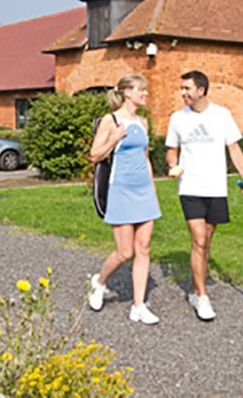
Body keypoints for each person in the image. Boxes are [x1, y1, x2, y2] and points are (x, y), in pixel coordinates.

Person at [165, 70, 243, 321]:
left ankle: (195, 288)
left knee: (207, 240)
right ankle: (202, 297)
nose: (183, 93)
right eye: (181, 88)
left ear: (201, 90)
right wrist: (173, 165)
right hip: (190, 187)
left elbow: (234, 148)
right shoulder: (177, 118)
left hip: (216, 188)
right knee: (199, 239)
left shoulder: (221, 115)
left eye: (187, 88)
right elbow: (172, 150)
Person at [88, 74, 162, 325]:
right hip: (120, 190)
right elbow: (95, 155)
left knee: (144, 249)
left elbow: (145, 158)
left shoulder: (142, 121)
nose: (146, 95)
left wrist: (153, 192)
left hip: (144, 193)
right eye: (142, 90)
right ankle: (99, 283)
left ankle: (139, 306)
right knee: (124, 252)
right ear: (128, 92)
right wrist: (115, 137)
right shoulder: (110, 121)